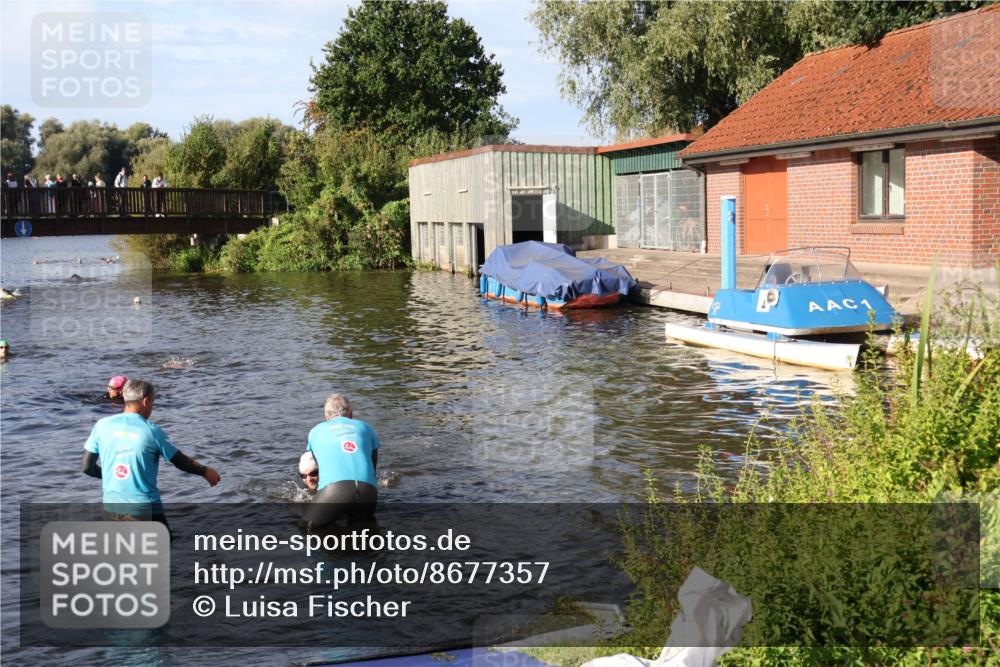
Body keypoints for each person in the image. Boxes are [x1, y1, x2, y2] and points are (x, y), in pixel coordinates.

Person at [81, 379, 221, 532]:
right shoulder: (152, 431)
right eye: (153, 402)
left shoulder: (102, 425)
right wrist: (206, 472)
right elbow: (181, 462)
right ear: (146, 401)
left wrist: (111, 475)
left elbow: (87, 467)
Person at [304, 393, 379, 525]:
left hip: (336, 491)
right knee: (363, 530)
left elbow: (320, 467)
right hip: (368, 491)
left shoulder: (315, 431)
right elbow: (373, 467)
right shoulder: (366, 428)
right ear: (351, 412)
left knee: (307, 527)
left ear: (326, 415)